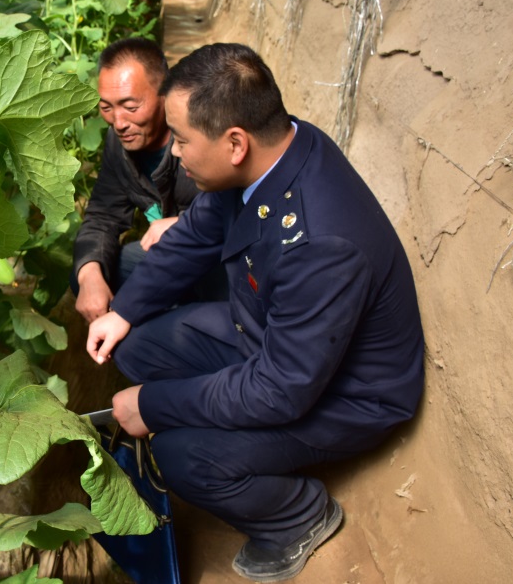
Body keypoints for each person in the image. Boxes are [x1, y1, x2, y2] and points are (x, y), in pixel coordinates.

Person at [86, 44, 425, 582]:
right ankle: (223, 428)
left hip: (346, 393)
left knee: (180, 454)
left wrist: (158, 404)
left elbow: (280, 390)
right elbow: (196, 235)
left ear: (234, 143)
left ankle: (298, 516)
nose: (173, 153)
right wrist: (122, 311)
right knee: (140, 346)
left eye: (182, 140)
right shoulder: (281, 147)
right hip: (274, 337)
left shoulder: (320, 244)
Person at [72, 38, 199, 323]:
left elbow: (240, 205)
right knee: (91, 275)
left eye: (130, 106)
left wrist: (187, 225)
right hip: (173, 260)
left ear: (164, 93)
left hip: (218, 261)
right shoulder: (120, 144)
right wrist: (89, 273)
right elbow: (103, 214)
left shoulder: (201, 130)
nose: (118, 122)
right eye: (106, 108)